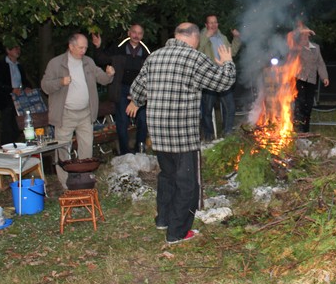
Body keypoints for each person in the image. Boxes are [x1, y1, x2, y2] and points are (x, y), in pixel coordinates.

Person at [127, 23, 236, 244]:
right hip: (183, 135)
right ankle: (177, 232)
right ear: (194, 39)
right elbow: (223, 83)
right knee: (188, 185)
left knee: (167, 177)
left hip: (158, 133)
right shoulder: (194, 58)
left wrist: (138, 102)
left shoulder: (154, 57)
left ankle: (163, 219)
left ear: (176, 36)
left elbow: (137, 91)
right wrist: (228, 63)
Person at [41, 33, 115, 189]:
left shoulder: (88, 62)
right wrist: (61, 82)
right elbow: (45, 86)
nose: (83, 51)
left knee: (86, 147)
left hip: (85, 113)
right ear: (71, 46)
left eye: (86, 48)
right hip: (65, 113)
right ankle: (66, 183)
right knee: (62, 148)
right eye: (81, 48)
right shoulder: (56, 63)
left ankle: (83, 181)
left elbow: (102, 78)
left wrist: (109, 75)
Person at [92, 23, 151, 154]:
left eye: (139, 33)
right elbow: (101, 60)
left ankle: (140, 150)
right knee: (122, 120)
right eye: (134, 32)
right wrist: (98, 47)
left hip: (139, 90)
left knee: (142, 119)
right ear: (129, 33)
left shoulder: (146, 52)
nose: (136, 35)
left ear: (142, 35)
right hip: (122, 89)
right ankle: (125, 152)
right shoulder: (118, 48)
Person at [197, 14, 242, 140]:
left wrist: (237, 38)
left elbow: (231, 52)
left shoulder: (222, 37)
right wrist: (206, 37)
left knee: (230, 107)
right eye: (210, 23)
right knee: (207, 109)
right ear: (206, 25)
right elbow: (197, 50)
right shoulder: (201, 37)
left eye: (215, 22)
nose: (213, 25)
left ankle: (227, 133)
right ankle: (209, 136)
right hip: (209, 77)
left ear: (217, 24)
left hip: (223, 76)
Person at [289, 26, 328, 133]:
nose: (304, 38)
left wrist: (324, 77)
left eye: (306, 35)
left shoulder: (315, 47)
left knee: (308, 104)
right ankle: (298, 128)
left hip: (311, 80)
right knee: (300, 103)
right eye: (303, 35)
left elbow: (320, 63)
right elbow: (291, 35)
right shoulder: (296, 48)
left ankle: (305, 130)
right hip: (299, 79)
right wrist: (304, 30)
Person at [0, 45, 34, 145]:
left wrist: (27, 87)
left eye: (19, 48)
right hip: (6, 99)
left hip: (19, 100)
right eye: (15, 48)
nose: (18, 51)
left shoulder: (19, 66)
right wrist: (11, 90)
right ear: (8, 50)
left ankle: (17, 147)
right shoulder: (1, 65)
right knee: (8, 127)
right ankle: (6, 149)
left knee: (18, 126)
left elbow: (24, 81)